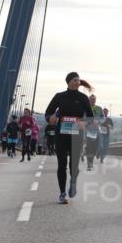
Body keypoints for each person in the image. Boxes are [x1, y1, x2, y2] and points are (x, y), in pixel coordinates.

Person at [44, 72, 95, 204]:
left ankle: (73, 183)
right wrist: (51, 118)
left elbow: (90, 118)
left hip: (76, 135)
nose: (77, 82)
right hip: (61, 135)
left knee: (74, 166)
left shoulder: (83, 98)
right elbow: (48, 112)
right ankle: (62, 193)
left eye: (78, 80)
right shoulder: (59, 96)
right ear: (68, 82)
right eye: (75, 80)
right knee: (62, 165)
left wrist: (84, 123)